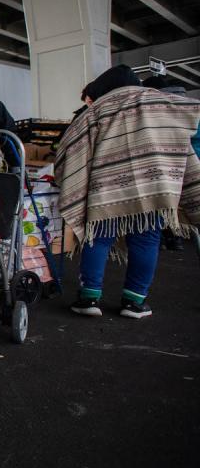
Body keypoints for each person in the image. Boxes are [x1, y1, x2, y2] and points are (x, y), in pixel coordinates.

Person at [56, 65, 200, 319]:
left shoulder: (98, 110)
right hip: (153, 188)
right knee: (146, 239)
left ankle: (89, 298)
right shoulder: (162, 103)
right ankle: (134, 302)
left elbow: (70, 148)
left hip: (106, 190)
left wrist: (66, 178)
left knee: (97, 238)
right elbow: (182, 141)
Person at [143, 74, 196, 251]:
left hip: (171, 166)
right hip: (189, 167)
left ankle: (174, 237)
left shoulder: (161, 112)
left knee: (166, 205)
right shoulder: (190, 108)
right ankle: (179, 236)